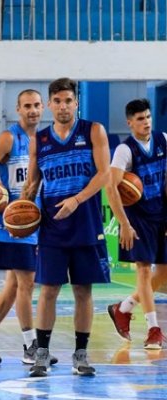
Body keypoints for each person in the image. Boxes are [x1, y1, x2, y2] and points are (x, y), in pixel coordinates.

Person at [21, 77, 111, 377]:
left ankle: (81, 354)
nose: (63, 106)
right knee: (48, 290)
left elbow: (104, 174)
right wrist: (20, 211)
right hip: (52, 227)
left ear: (76, 103)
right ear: (49, 105)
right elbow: (32, 184)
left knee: (83, 291)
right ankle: (42, 354)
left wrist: (77, 199)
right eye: (57, 101)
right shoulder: (40, 140)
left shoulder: (93, 131)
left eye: (68, 101)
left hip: (85, 223)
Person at [0, 89, 58, 366]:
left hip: (36, 223)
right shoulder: (9, 138)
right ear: (18, 109)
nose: (33, 110)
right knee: (26, 284)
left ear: (43, 108)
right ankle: (31, 346)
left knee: (13, 286)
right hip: (14, 223)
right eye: (27, 106)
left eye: (37, 105)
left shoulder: (45, 141)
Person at [106, 98, 167, 349]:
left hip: (160, 212)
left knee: (163, 271)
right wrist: (124, 223)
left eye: (148, 117)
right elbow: (111, 187)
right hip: (138, 217)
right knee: (143, 269)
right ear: (130, 123)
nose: (146, 123)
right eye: (141, 119)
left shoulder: (163, 139)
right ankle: (154, 329)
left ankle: (124, 308)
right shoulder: (124, 150)